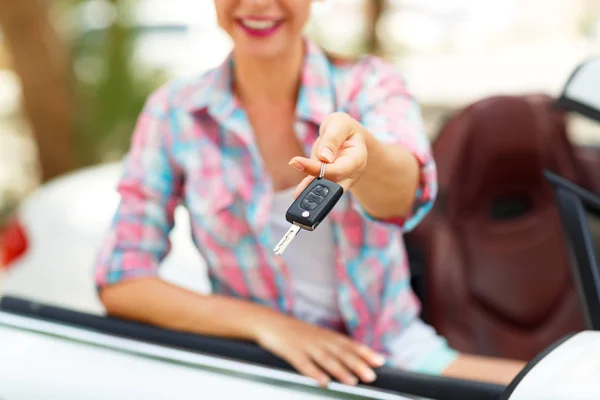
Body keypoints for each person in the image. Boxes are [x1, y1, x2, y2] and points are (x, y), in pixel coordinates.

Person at [95, 0, 526, 388]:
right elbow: (121, 279)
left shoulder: (369, 84)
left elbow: (404, 197)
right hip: (256, 366)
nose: (258, 4)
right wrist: (269, 326)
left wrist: (367, 156)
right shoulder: (173, 113)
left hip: (391, 357)